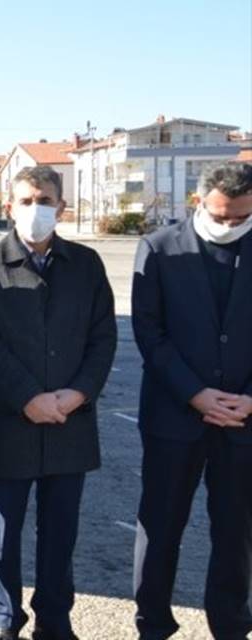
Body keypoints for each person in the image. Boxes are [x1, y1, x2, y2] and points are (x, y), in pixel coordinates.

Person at [0, 166, 117, 640]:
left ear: (62, 207)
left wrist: (78, 393)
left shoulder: (86, 265)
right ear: (8, 206)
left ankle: (55, 619)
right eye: (26, 200)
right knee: (3, 536)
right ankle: (6, 619)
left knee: (60, 535)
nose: (36, 209)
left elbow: (103, 337)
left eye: (45, 200)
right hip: (10, 423)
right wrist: (28, 397)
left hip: (70, 422)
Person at [131, 160, 252, 640]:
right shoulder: (159, 248)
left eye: (242, 217)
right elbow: (149, 333)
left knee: (236, 531)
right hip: (174, 416)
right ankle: (153, 623)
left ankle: (231, 624)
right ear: (198, 202)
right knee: (160, 526)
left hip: (242, 421)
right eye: (221, 215)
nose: (230, 225)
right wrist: (196, 394)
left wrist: (249, 399)